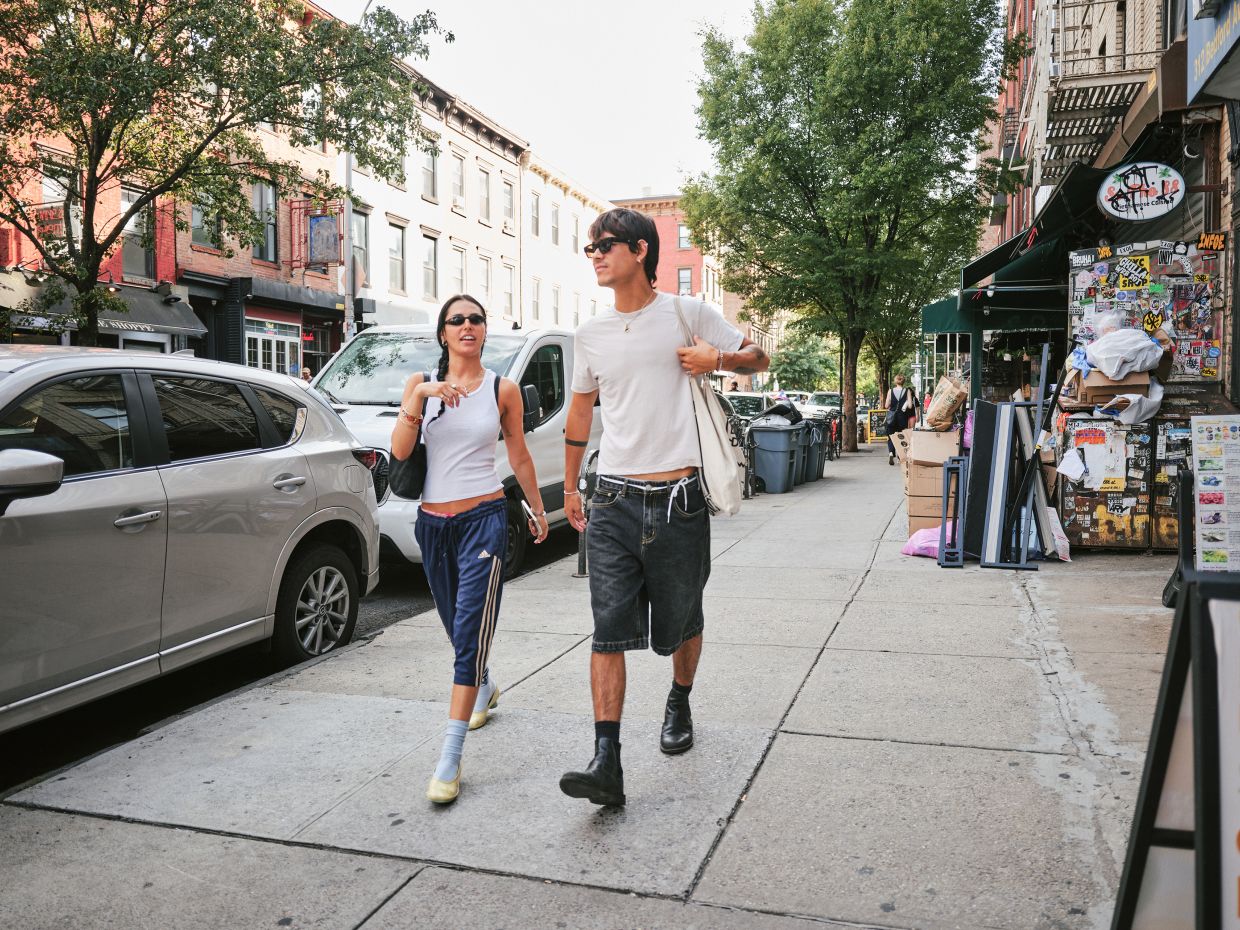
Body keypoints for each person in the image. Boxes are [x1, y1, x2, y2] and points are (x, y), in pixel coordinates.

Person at [559, 208, 770, 807]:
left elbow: (759, 357)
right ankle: (607, 762)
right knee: (606, 630)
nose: (595, 255)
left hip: (679, 503)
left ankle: (679, 700)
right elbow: (581, 412)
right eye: (590, 247)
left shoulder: (687, 313)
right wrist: (572, 487)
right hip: (615, 500)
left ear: (641, 250)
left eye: (605, 245)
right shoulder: (590, 334)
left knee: (682, 621)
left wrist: (717, 361)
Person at [390, 294, 548, 805]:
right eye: (456, 320)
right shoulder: (420, 386)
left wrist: (539, 509)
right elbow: (399, 452)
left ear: (485, 331)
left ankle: (449, 758)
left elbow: (519, 452)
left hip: (484, 519)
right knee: (457, 629)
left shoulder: (503, 389)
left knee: (467, 632)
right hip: (433, 524)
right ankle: (483, 685)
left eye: (475, 319)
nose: (466, 326)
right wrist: (419, 400)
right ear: (443, 334)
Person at [883, 374, 918, 465]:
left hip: (892, 418)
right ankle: (900, 456)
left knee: (891, 436)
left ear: (895, 381)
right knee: (900, 437)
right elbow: (910, 406)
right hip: (902, 418)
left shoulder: (890, 391)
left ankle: (891, 452)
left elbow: (886, 406)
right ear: (903, 381)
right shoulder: (907, 391)